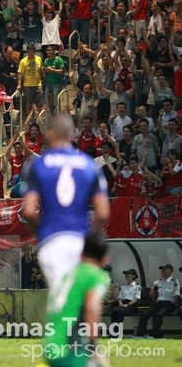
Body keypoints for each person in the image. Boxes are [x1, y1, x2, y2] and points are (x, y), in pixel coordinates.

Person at [22, 114, 111, 288]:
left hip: (52, 238)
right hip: (79, 239)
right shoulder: (89, 164)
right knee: (77, 292)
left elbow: (29, 212)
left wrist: (41, 235)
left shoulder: (37, 165)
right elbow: (102, 213)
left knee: (60, 292)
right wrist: (90, 240)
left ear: (49, 134)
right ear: (72, 135)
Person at [43, 233, 110, 367]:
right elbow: (92, 307)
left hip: (50, 345)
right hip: (69, 348)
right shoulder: (95, 275)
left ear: (81, 254)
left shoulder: (67, 275)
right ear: (105, 260)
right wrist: (93, 345)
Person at [134, 264, 180, 339]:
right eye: (162, 269)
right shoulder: (160, 281)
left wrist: (176, 308)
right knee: (144, 315)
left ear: (170, 271)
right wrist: (152, 288)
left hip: (169, 304)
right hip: (160, 303)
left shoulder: (174, 281)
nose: (163, 271)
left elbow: (176, 295)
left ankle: (155, 334)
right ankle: (139, 335)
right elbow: (154, 284)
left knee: (158, 315)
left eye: (165, 269)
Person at [110, 268, 141, 337]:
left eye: (128, 274)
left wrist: (127, 305)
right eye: (126, 274)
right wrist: (120, 303)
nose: (126, 276)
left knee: (120, 312)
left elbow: (136, 299)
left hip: (131, 305)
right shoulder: (123, 286)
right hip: (123, 303)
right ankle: (113, 332)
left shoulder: (137, 287)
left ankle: (118, 333)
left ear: (133, 276)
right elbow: (120, 297)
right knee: (114, 311)